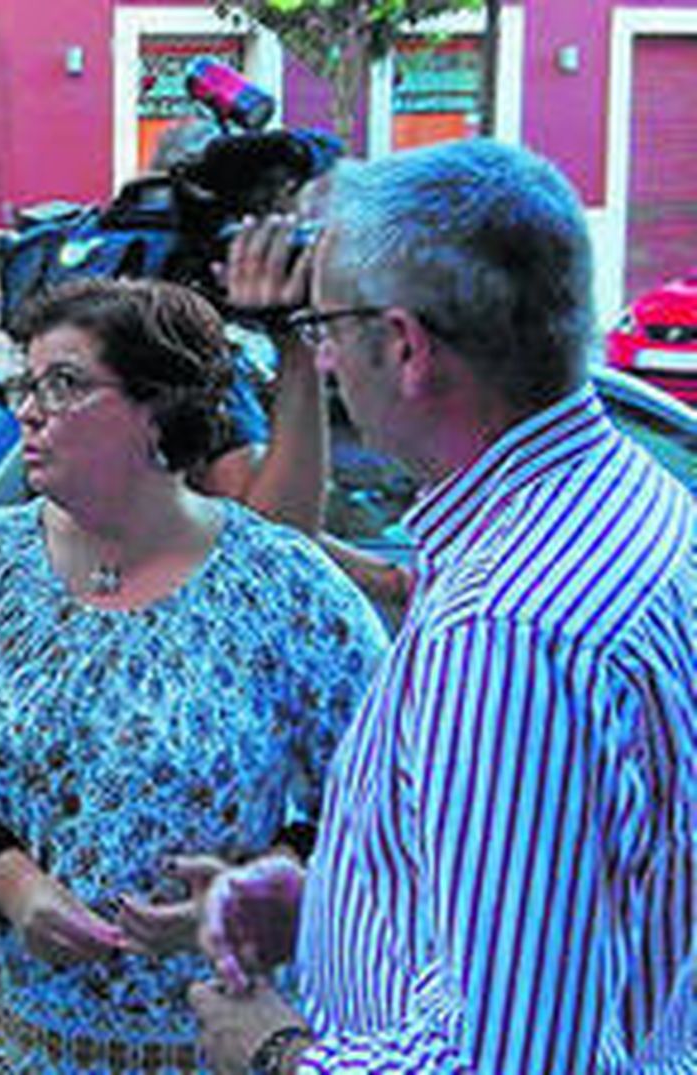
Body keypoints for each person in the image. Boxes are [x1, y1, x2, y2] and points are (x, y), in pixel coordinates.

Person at [189, 139, 697, 1073]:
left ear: (405, 347)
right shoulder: (628, 493)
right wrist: (328, 898)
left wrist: (276, 1054)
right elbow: (577, 887)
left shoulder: (510, 635)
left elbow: (512, 1062)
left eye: (325, 328)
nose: (326, 359)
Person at [0, 277, 388, 1072]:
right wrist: (15, 887)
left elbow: (387, 800)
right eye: (28, 381)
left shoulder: (287, 586)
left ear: (160, 412)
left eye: (66, 384)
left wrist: (267, 887)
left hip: (206, 1042)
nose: (30, 408)